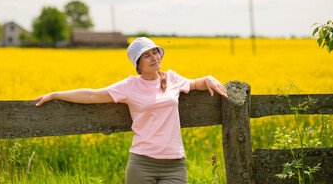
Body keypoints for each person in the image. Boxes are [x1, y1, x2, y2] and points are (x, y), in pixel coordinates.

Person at [34, 37, 227, 184]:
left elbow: (196, 83)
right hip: (141, 164)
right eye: (147, 55)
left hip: (174, 164)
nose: (154, 58)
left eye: (155, 52)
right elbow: (93, 95)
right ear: (138, 64)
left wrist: (209, 78)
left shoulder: (172, 78)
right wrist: (55, 94)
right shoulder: (129, 86)